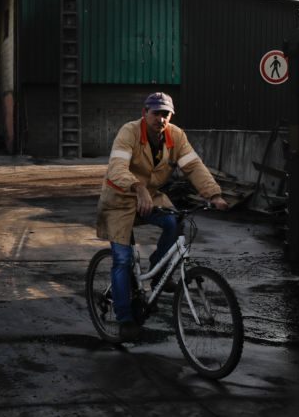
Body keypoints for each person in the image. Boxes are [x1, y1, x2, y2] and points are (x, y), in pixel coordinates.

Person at [96, 92, 228, 342]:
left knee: (173, 222)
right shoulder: (129, 132)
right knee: (122, 260)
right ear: (144, 112)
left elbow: (194, 165)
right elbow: (116, 169)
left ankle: (158, 274)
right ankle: (125, 319)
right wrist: (137, 187)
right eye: (156, 113)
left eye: (166, 114)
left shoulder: (176, 136)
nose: (161, 118)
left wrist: (213, 194)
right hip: (119, 199)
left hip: (150, 196)